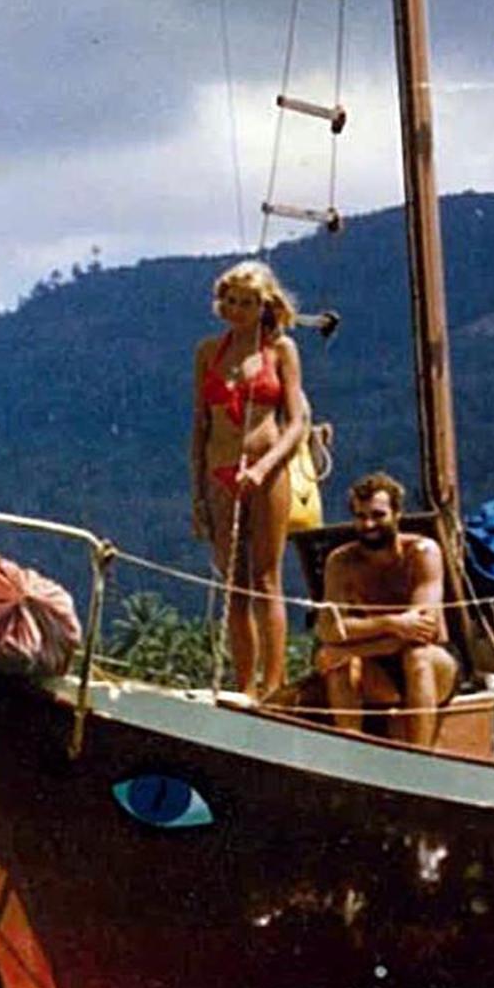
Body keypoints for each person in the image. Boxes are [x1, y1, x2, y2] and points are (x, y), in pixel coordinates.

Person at [191, 259, 309, 699]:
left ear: (266, 305)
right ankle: (243, 685)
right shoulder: (208, 352)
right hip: (219, 471)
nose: (238, 309)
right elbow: (199, 427)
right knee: (233, 585)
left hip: (268, 468)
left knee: (266, 579)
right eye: (232, 301)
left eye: (248, 302)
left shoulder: (281, 350)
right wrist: (198, 496)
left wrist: (263, 468)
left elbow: (295, 422)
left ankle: (273, 685)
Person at [315, 472, 460, 746]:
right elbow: (330, 628)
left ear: (397, 514)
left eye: (378, 515)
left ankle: (421, 756)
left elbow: (422, 631)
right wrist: (393, 623)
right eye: (360, 516)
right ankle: (349, 750)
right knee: (339, 665)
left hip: (433, 665)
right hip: (378, 670)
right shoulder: (341, 562)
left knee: (417, 657)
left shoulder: (422, 553)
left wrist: (349, 647)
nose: (368, 524)